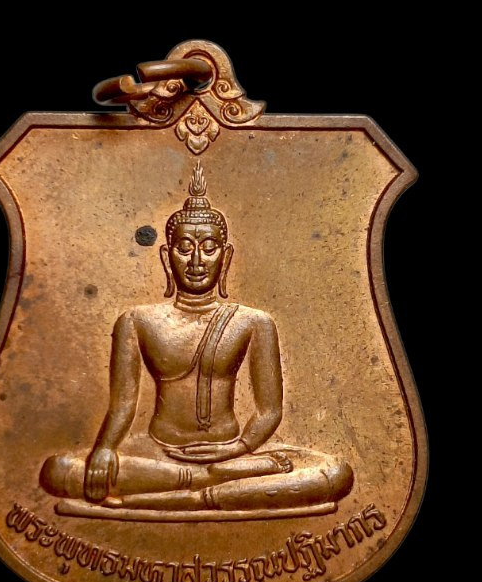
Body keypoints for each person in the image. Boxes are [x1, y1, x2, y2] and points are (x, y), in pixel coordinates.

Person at [40, 162, 353, 514]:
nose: (197, 260)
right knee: (58, 471)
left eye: (209, 247)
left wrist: (238, 449)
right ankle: (207, 485)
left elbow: (270, 411)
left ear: (226, 256)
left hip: (233, 453)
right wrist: (105, 449)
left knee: (337, 475)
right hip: (159, 453)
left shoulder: (253, 322)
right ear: (166, 256)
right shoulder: (137, 320)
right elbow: (123, 404)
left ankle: (191, 488)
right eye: (185, 247)